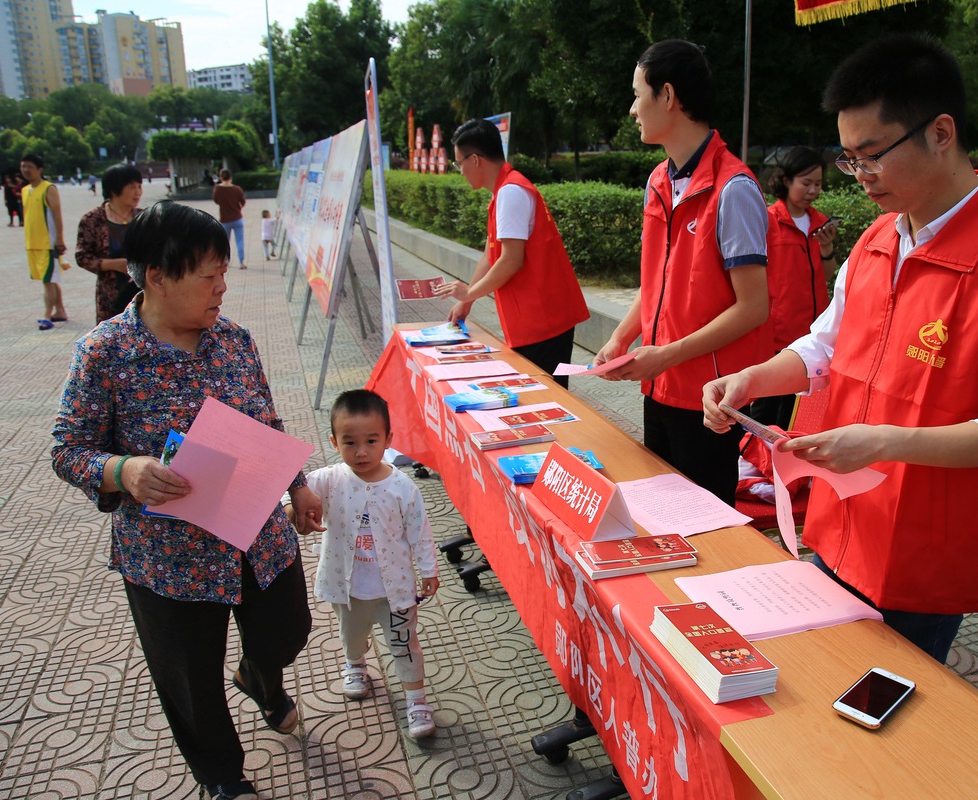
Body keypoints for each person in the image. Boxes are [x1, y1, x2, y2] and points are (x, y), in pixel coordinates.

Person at [702, 33, 978, 664]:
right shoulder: (879, 239)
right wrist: (753, 379)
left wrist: (879, 441)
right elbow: (824, 348)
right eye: (850, 159)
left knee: (882, 731)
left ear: (940, 132)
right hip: (838, 525)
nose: (860, 177)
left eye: (872, 155)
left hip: (922, 561)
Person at [51, 201, 324, 800]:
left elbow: (266, 420)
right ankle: (223, 777)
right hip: (167, 560)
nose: (222, 288)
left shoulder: (235, 341)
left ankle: (259, 675)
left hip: (257, 536)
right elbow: (68, 449)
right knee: (192, 683)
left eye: (223, 273)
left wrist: (296, 483)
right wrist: (123, 469)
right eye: (208, 276)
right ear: (156, 275)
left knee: (288, 630)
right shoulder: (106, 353)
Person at [592, 39, 772, 505]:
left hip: (710, 401)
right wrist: (620, 338)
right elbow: (657, 285)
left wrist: (667, 355)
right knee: (663, 518)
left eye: (637, 94)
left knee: (707, 531)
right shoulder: (658, 181)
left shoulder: (734, 189)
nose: (632, 109)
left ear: (668, 96)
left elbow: (753, 308)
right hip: (659, 386)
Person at [283, 389, 440, 740]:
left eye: (372, 440)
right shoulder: (328, 479)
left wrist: (429, 569)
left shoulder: (402, 487)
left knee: (404, 643)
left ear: (388, 439)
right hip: (348, 588)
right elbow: (292, 491)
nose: (362, 451)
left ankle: (416, 701)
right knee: (351, 636)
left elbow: (419, 530)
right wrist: (292, 508)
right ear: (334, 441)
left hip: (395, 590)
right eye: (349, 442)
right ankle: (355, 665)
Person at [435, 119, 589, 388]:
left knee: (546, 397)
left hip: (544, 321)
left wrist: (470, 293)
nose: (459, 171)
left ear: (476, 160)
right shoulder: (504, 191)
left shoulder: (511, 192)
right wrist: (467, 301)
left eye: (459, 163)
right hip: (537, 318)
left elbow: (510, 260)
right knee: (541, 396)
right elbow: (490, 253)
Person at [755, 146, 839, 429]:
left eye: (817, 184)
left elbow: (827, 275)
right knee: (766, 407)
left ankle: (781, 462)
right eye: (806, 183)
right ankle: (752, 462)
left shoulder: (819, 222)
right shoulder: (768, 221)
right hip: (777, 333)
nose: (812, 190)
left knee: (794, 409)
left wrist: (826, 248)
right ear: (786, 180)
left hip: (812, 332)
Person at [75, 163, 145, 323]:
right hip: (110, 295)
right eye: (132, 187)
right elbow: (82, 257)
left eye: (140, 186)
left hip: (143, 294)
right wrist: (114, 264)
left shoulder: (144, 218)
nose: (138, 192)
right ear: (114, 189)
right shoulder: (93, 220)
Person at [20, 154, 68, 328]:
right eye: (23, 166)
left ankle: (47, 315)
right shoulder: (25, 190)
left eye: (29, 167)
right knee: (50, 279)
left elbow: (57, 215)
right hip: (32, 244)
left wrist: (59, 239)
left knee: (48, 281)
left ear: (39, 169)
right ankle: (60, 311)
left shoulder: (48, 189)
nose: (25, 170)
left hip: (48, 244)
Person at [213, 169, 247, 269]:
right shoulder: (237, 189)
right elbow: (243, 202)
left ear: (221, 177)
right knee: (240, 241)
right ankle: (241, 262)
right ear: (231, 177)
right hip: (237, 218)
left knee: (225, 242)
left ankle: (225, 261)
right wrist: (237, 207)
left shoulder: (218, 189)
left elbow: (216, 201)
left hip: (224, 220)